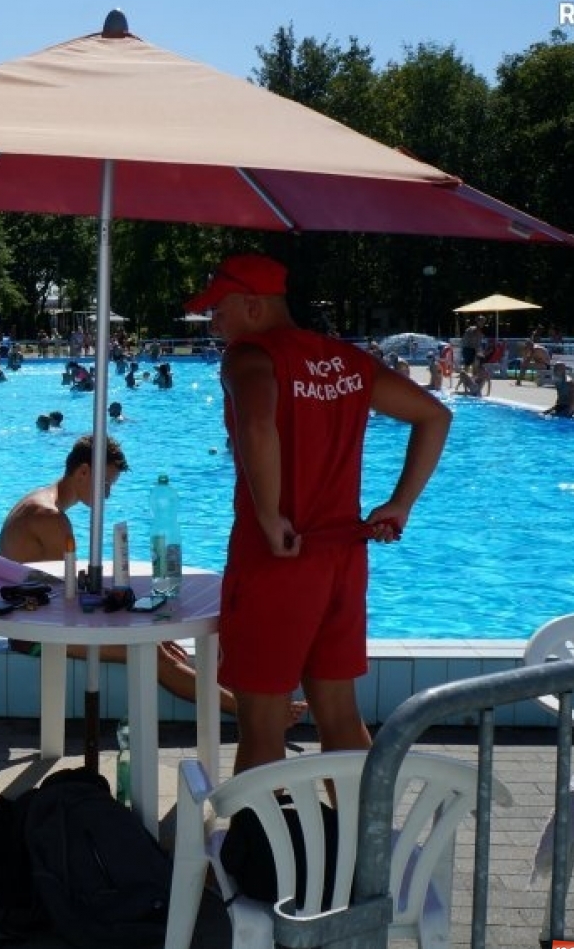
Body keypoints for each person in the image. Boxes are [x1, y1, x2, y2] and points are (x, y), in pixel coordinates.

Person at [188, 254, 450, 774]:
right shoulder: (346, 361)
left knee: (262, 725)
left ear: (252, 306)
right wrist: (400, 505)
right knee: (340, 715)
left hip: (277, 560)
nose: (212, 321)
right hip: (342, 562)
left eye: (217, 309)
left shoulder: (249, 356)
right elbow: (434, 415)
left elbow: (258, 427)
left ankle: (258, 850)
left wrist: (268, 516)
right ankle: (362, 847)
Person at [0, 436, 268, 719]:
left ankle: (245, 706)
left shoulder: (37, 501)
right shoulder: (51, 519)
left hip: (33, 620)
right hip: (32, 635)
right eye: (105, 485)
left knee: (156, 642)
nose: (107, 495)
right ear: (83, 472)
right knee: (153, 655)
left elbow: (62, 592)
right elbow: (72, 600)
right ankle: (251, 715)